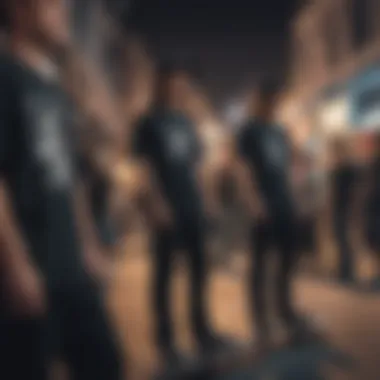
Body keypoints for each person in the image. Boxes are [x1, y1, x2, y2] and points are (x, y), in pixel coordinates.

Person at [0, 1, 123, 379]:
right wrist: (15, 265)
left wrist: (88, 245)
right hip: (31, 265)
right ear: (17, 8)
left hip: (71, 264)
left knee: (104, 362)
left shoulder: (52, 86)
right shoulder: (5, 77)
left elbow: (70, 178)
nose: (65, 9)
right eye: (53, 2)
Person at [132, 63, 228, 364]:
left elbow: (197, 166)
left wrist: (208, 198)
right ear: (161, 85)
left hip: (192, 206)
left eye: (183, 84)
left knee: (200, 270)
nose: (180, 89)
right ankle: (166, 341)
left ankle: (202, 330)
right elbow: (144, 167)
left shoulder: (187, 123)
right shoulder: (148, 122)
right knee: (163, 276)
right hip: (166, 209)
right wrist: (156, 203)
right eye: (174, 83)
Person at [233, 81, 307, 345]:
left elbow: (291, 166)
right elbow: (242, 168)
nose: (275, 106)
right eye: (271, 100)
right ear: (261, 101)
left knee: (288, 258)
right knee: (260, 263)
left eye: (278, 101)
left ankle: (285, 310)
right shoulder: (248, 130)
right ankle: (261, 319)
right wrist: (253, 201)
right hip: (262, 204)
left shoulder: (280, 131)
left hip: (283, 201)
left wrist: (294, 197)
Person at [327, 137, 357, 284]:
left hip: (344, 208)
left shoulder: (346, 169)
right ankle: (344, 271)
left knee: (344, 240)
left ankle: (347, 272)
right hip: (341, 208)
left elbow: (349, 192)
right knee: (341, 240)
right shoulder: (342, 168)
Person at [362, 133, 380, 290]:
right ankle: (376, 277)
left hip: (375, 210)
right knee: (374, 244)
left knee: (375, 243)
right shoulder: (373, 163)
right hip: (373, 210)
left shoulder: (375, 163)